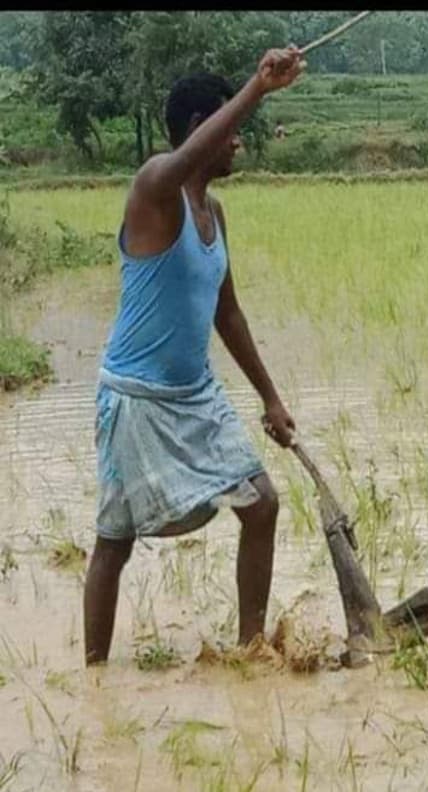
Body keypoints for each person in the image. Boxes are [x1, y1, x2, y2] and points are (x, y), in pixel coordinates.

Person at [84, 46, 306, 665]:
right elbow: (182, 159)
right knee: (114, 540)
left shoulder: (216, 214)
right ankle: (94, 676)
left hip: (194, 394)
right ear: (199, 131)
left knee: (261, 504)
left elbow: (226, 311)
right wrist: (257, 88)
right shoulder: (155, 189)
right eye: (230, 132)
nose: (238, 144)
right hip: (135, 399)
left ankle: (249, 649)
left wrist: (270, 396)